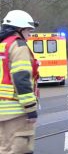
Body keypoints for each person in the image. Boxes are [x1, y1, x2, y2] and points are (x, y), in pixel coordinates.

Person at [0, 10, 39, 154]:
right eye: (28, 30)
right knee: (21, 149)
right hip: (17, 112)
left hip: (2, 113)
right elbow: (21, 79)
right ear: (19, 29)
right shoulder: (18, 46)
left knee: (4, 149)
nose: (29, 35)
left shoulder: (2, 45)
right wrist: (31, 109)